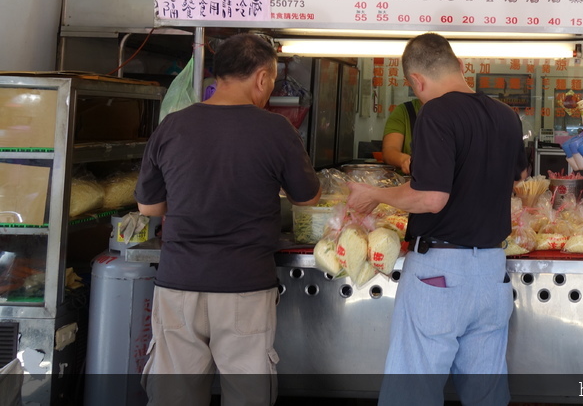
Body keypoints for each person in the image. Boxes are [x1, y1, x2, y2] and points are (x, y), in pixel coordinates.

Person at [135, 33, 322, 406]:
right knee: (247, 396)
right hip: (244, 286)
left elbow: (149, 208)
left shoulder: (172, 126)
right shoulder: (275, 130)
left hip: (179, 283)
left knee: (174, 397)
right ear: (263, 79)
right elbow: (309, 197)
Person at [347, 33, 529, 406]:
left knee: (413, 389)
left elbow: (431, 197)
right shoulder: (507, 116)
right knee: (487, 392)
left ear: (416, 81)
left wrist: (374, 194)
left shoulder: (436, 112)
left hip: (440, 274)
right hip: (492, 270)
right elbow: (519, 181)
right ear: (461, 66)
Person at [381, 96, 422, 174]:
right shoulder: (404, 111)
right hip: (409, 182)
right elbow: (389, 150)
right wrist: (404, 160)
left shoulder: (450, 112)